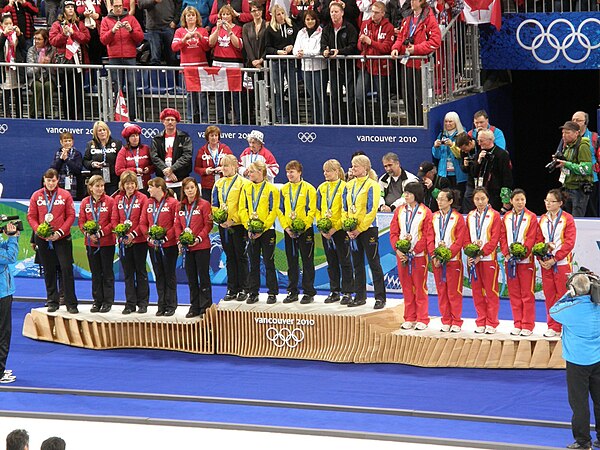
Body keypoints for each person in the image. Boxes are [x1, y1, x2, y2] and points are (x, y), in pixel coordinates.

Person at [550, 270, 600, 450]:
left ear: (572, 289)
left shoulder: (570, 309)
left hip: (578, 363)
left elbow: (553, 310)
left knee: (579, 404)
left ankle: (583, 441)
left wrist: (568, 293)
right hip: (598, 359)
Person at [27, 169, 78, 314]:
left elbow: (70, 216)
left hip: (62, 238)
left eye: (53, 180)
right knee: (49, 270)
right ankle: (52, 301)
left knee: (66, 269)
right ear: (44, 180)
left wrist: (59, 232)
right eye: (48, 181)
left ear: (57, 181)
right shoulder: (36, 196)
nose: (50, 183)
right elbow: (31, 216)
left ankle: (71, 303)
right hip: (43, 239)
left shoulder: (65, 195)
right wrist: (39, 231)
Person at [342, 155, 386, 309]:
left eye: (356, 166)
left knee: (374, 263)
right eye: (352, 165)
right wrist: (347, 226)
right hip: (352, 230)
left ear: (365, 168)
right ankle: (360, 296)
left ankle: (380, 297)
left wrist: (359, 229)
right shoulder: (349, 185)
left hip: (367, 229)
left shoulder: (372, 185)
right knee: (357, 264)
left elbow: (372, 210)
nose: (352, 169)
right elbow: (345, 208)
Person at [390, 181, 433, 329]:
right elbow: (394, 232)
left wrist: (413, 251)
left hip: (418, 256)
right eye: (405, 192)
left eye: (408, 193)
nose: (405, 195)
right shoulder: (399, 211)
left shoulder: (426, 212)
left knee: (420, 287)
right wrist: (399, 250)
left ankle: (422, 318)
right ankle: (409, 317)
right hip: (402, 255)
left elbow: (427, 235)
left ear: (416, 195)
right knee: (407, 287)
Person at [390, 0, 440, 126]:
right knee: (407, 97)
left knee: (420, 98)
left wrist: (416, 49)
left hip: (421, 64)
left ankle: (423, 123)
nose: (412, 2)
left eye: (414, 0)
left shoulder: (430, 19)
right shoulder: (407, 19)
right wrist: (395, 48)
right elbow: (401, 37)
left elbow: (435, 41)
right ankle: (412, 124)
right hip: (407, 63)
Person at [238, 160, 280, 304]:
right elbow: (242, 208)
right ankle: (253, 292)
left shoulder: (272, 189)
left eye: (251, 171)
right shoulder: (246, 188)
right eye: (249, 171)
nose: (249, 173)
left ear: (261, 172)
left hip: (267, 231)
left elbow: (273, 210)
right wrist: (248, 225)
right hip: (250, 230)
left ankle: (272, 293)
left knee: (269, 262)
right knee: (253, 263)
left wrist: (262, 228)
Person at [500, 188, 540, 337]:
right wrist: (507, 253)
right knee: (514, 294)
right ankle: (517, 323)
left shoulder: (531, 217)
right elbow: (502, 237)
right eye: (517, 200)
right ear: (511, 201)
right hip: (510, 261)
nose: (520, 202)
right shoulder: (506, 217)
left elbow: (531, 238)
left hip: (526, 261)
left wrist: (523, 253)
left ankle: (528, 325)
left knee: (527, 294)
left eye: (522, 199)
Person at [538, 188, 576, 338]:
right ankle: (552, 326)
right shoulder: (543, 218)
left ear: (560, 203)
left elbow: (569, 243)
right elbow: (538, 240)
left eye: (551, 201)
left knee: (563, 296)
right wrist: (541, 258)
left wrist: (556, 258)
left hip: (561, 264)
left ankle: (565, 327)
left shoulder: (568, 219)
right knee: (549, 295)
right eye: (546, 200)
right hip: (546, 263)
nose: (548, 203)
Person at [278, 160, 317, 304]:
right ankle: (292, 291)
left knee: (307, 261)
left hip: (305, 231)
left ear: (299, 172)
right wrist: (286, 227)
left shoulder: (309, 189)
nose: (289, 174)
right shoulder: (283, 189)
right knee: (291, 262)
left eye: (292, 172)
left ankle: (308, 292)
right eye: (287, 172)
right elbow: (279, 209)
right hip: (289, 231)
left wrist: (304, 226)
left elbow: (312, 210)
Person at [315, 159, 354, 304]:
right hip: (325, 231)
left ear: (337, 171)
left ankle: (348, 292)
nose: (325, 173)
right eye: (324, 171)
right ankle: (334, 290)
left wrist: (335, 227)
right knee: (331, 261)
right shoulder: (321, 188)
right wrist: (321, 226)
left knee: (344, 261)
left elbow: (346, 209)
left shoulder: (345, 187)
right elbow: (317, 209)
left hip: (340, 229)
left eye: (328, 171)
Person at [212, 154, 249, 302]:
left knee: (240, 256)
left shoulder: (243, 183)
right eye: (222, 165)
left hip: (238, 225)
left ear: (235, 167)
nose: (223, 168)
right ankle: (232, 288)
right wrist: (219, 219)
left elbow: (245, 205)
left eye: (226, 166)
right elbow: (214, 204)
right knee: (229, 257)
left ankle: (244, 288)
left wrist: (233, 220)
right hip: (223, 226)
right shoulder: (219, 183)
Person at [111, 170, 149, 314]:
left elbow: (143, 220)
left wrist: (133, 234)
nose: (130, 186)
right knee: (128, 273)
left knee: (140, 272)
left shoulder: (143, 198)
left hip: (139, 240)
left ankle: (143, 303)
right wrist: (120, 234)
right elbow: (114, 219)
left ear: (136, 184)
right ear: (122, 185)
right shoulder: (118, 199)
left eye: (132, 183)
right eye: (127, 183)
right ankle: (130, 303)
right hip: (123, 242)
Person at [100, 0, 144, 122]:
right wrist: (112, 30)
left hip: (130, 57)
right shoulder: (106, 21)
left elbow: (140, 38)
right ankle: (117, 116)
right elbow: (103, 40)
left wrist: (131, 30)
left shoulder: (131, 19)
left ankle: (133, 116)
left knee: (132, 87)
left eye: (120, 6)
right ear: (112, 7)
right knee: (116, 88)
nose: (118, 8)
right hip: (114, 57)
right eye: (116, 6)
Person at [465, 187, 501, 334]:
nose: (480, 202)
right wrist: (469, 253)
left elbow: (494, 239)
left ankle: (492, 322)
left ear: (488, 199)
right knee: (477, 291)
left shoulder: (495, 215)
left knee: (491, 292)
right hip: (474, 260)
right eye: (477, 199)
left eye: (483, 199)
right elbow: (466, 237)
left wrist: (481, 254)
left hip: (488, 260)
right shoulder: (470, 216)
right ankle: (481, 320)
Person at [429, 188, 465, 332]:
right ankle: (446, 320)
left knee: (454, 292)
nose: (439, 202)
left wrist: (446, 255)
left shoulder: (458, 218)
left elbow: (460, 240)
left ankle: (456, 321)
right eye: (438, 199)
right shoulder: (434, 217)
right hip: (437, 260)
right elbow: (429, 238)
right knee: (442, 291)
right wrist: (435, 255)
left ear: (450, 201)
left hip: (453, 260)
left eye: (443, 199)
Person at [176, 177, 213, 317]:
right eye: (187, 188)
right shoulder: (180, 206)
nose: (190, 190)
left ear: (196, 189)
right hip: (188, 248)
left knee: (203, 277)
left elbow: (208, 225)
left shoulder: (204, 204)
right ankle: (194, 306)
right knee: (191, 278)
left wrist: (198, 239)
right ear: (183, 191)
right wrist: (182, 239)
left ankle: (205, 307)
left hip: (202, 246)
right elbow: (177, 225)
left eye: (192, 187)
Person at [79, 175, 116, 313]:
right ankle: (97, 301)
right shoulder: (84, 202)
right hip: (90, 243)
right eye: (97, 186)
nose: (100, 189)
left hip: (107, 242)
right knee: (95, 273)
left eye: (102, 186)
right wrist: (88, 233)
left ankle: (108, 301)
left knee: (107, 272)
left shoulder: (110, 202)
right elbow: (81, 222)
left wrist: (100, 233)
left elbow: (113, 222)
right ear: (90, 187)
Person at [49, 0, 90, 120]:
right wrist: (64, 35)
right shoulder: (57, 24)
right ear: (63, 9)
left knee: (78, 91)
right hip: (64, 63)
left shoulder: (79, 23)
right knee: (66, 92)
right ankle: (68, 117)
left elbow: (86, 38)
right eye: (68, 7)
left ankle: (79, 117)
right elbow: (53, 41)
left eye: (72, 7)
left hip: (78, 63)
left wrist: (74, 33)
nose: (71, 9)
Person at [356, 1, 394, 125]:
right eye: (372, 11)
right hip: (365, 64)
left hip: (381, 66)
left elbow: (386, 48)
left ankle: (381, 123)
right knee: (359, 95)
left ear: (383, 13)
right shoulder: (365, 24)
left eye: (376, 12)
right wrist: (363, 42)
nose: (373, 14)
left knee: (382, 98)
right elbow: (359, 46)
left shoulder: (389, 27)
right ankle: (366, 122)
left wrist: (370, 42)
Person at [145, 177, 179, 316]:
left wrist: (165, 237)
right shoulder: (148, 203)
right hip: (153, 245)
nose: (148, 190)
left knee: (169, 274)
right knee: (159, 274)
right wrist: (149, 237)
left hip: (169, 245)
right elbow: (143, 222)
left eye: (150, 187)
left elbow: (176, 224)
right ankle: (161, 305)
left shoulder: (173, 203)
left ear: (159, 188)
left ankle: (171, 305)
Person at [320, 1, 358, 125]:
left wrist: (340, 51)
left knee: (351, 96)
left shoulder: (350, 27)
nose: (333, 14)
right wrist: (324, 52)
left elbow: (353, 46)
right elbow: (323, 45)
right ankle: (337, 123)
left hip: (347, 66)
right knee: (335, 97)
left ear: (342, 13)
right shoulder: (326, 29)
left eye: (336, 12)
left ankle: (352, 122)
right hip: (333, 68)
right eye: (331, 12)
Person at [171, 6, 210, 123]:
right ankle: (191, 119)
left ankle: (204, 119)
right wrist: (183, 40)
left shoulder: (202, 31)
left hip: (201, 67)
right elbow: (174, 47)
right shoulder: (179, 31)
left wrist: (201, 38)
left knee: (202, 95)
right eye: (188, 15)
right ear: (185, 18)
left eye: (193, 15)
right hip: (187, 68)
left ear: (196, 17)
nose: (191, 17)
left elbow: (207, 47)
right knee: (190, 95)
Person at [209, 4, 244, 124]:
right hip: (218, 63)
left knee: (235, 95)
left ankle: (238, 120)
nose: (225, 16)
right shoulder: (215, 29)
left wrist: (229, 31)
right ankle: (222, 120)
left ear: (232, 15)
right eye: (223, 14)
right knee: (220, 94)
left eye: (227, 14)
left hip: (234, 63)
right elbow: (210, 43)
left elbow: (238, 45)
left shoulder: (238, 29)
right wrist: (218, 30)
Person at [293, 9, 327, 125]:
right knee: (312, 97)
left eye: (312, 19)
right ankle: (315, 122)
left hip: (319, 68)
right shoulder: (301, 32)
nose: (310, 21)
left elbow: (318, 50)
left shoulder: (321, 31)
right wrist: (298, 53)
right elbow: (295, 49)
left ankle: (324, 122)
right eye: (307, 19)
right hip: (305, 68)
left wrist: (305, 53)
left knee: (320, 97)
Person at [149, 108, 193, 197]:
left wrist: (172, 168)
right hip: (163, 182)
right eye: (167, 119)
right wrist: (166, 170)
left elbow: (187, 155)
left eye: (172, 120)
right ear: (163, 121)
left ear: (176, 122)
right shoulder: (157, 139)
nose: (170, 122)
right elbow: (154, 157)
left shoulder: (184, 137)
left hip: (181, 180)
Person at [265, 4, 298, 124]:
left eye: (283, 13)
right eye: (278, 14)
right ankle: (282, 119)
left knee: (293, 91)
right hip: (276, 62)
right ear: (274, 16)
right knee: (278, 91)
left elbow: (298, 41)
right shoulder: (270, 29)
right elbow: (267, 47)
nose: (281, 16)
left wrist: (292, 46)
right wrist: (277, 52)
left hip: (290, 61)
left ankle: (295, 119)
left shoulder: (292, 26)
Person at [553, 120, 593, 217]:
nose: (564, 135)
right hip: (567, 188)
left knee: (576, 221)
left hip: (578, 190)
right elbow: (568, 163)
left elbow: (586, 169)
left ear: (576, 133)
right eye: (563, 133)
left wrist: (566, 164)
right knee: (567, 220)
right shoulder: (567, 146)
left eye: (567, 133)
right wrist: (559, 163)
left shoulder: (583, 146)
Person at [469, 129, 513, 212]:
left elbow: (507, 178)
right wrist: (478, 161)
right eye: (478, 141)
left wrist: (506, 200)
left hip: (496, 193)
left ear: (490, 140)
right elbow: (473, 173)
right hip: (481, 190)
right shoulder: (479, 153)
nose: (479, 143)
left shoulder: (502, 154)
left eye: (481, 141)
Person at [0, 222, 19, 384]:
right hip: (1, 293)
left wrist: (11, 238)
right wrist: (12, 239)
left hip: (3, 291)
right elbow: (9, 257)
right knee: (3, 332)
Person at [571, 111, 599, 218]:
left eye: (578, 120)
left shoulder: (594, 138)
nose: (575, 122)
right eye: (573, 120)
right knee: (573, 214)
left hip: (591, 180)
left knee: (591, 211)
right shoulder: (568, 137)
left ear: (585, 122)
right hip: (572, 182)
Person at [194, 125, 233, 201]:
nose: (214, 138)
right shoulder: (202, 151)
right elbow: (196, 168)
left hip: (224, 183)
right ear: (207, 137)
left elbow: (233, 164)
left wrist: (223, 169)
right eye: (211, 136)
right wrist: (205, 171)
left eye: (216, 135)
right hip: (207, 185)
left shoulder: (225, 149)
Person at [83, 120, 122, 196]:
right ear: (96, 133)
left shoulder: (117, 143)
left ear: (107, 131)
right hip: (97, 179)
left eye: (104, 130)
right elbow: (85, 160)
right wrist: (92, 164)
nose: (102, 132)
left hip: (113, 179)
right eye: (99, 130)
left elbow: (121, 161)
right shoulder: (91, 144)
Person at [432, 111, 467, 195]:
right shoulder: (441, 135)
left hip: (458, 174)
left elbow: (461, 155)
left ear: (456, 122)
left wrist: (452, 145)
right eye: (446, 121)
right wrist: (436, 147)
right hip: (443, 173)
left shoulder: (462, 135)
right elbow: (437, 156)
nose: (448, 124)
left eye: (450, 121)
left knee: (457, 197)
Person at [115, 123, 155, 192]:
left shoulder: (146, 148)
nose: (135, 138)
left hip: (146, 185)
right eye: (132, 136)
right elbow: (118, 171)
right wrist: (135, 170)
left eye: (137, 135)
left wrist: (149, 169)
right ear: (128, 139)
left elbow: (154, 165)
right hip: (130, 187)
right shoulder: (123, 151)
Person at [138, 0, 179, 66]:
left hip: (169, 26)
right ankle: (155, 76)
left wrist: (175, 20)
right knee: (155, 59)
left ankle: (172, 76)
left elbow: (179, 4)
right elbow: (141, 5)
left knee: (172, 58)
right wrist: (154, 1)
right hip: (153, 28)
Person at [26, 29, 56, 119]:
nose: (36, 41)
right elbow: (29, 71)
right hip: (35, 78)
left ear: (45, 40)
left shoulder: (52, 50)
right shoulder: (31, 50)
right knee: (38, 86)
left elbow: (55, 71)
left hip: (50, 78)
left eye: (39, 39)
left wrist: (48, 65)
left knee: (48, 86)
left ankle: (47, 114)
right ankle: (32, 114)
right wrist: (39, 65)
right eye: (35, 39)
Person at [0, 12, 25, 118]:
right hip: (4, 66)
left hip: (15, 65)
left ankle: (20, 116)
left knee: (17, 91)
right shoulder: (1, 34)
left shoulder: (15, 34)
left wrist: (20, 35)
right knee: (6, 91)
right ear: (1, 24)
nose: (9, 26)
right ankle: (7, 115)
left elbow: (23, 46)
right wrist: (4, 35)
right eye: (6, 24)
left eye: (10, 23)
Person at [50, 131, 84, 201]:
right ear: (61, 142)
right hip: (61, 181)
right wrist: (61, 159)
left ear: (72, 142)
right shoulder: (58, 153)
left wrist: (67, 160)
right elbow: (53, 169)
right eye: (65, 141)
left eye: (69, 141)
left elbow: (78, 169)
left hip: (74, 182)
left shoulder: (77, 154)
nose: (68, 143)